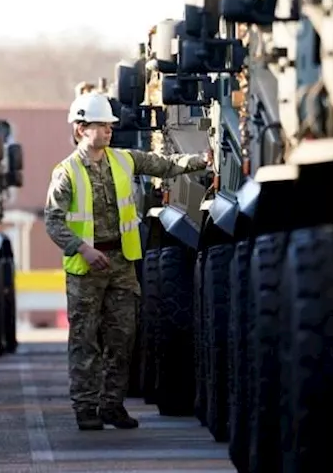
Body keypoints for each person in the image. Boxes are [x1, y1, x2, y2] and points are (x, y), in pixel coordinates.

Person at [44, 91, 210, 430]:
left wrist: (202, 160)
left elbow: (164, 165)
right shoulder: (66, 173)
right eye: (101, 125)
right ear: (80, 129)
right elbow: (53, 221)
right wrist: (84, 250)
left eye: (109, 126)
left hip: (121, 264)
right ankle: (86, 409)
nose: (108, 131)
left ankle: (112, 405)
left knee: (123, 338)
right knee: (85, 341)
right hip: (86, 269)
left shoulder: (124, 160)